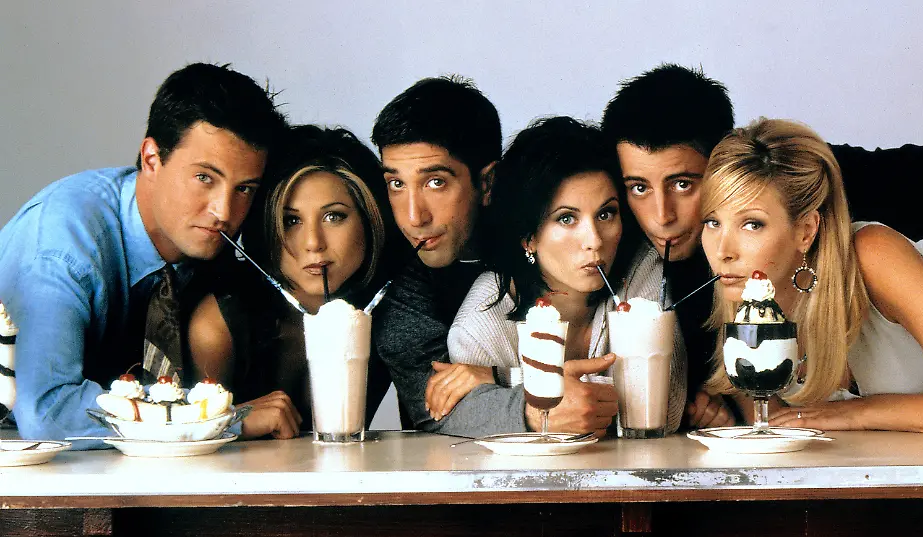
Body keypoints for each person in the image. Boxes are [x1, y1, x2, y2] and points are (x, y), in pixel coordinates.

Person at [601, 63, 923, 426]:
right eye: (638, 187)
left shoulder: (806, 183)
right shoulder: (689, 265)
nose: (661, 216)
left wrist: (855, 414)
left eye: (683, 184)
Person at [0, 63, 288, 447]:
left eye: (244, 188)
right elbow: (45, 413)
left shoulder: (205, 239)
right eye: (204, 178)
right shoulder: (63, 245)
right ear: (151, 159)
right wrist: (220, 421)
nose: (223, 211)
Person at [700, 118, 923, 434]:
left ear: (805, 230)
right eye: (713, 222)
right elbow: (777, 426)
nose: (722, 250)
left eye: (752, 224)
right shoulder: (739, 291)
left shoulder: (873, 254)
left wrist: (858, 412)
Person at [440, 116, 686, 436]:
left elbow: (667, 406)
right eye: (567, 218)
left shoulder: (640, 268)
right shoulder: (485, 317)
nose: (594, 240)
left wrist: (503, 377)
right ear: (528, 237)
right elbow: (475, 426)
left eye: (606, 213)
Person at [188, 125, 399, 439]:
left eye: (334, 216)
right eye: (291, 220)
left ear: (371, 219)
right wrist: (231, 422)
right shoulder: (219, 324)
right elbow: (189, 440)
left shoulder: (393, 307)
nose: (313, 242)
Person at [369, 76, 503, 433]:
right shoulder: (397, 283)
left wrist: (500, 376)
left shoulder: (548, 242)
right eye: (397, 184)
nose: (414, 217)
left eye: (435, 182)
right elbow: (441, 411)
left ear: (487, 183)